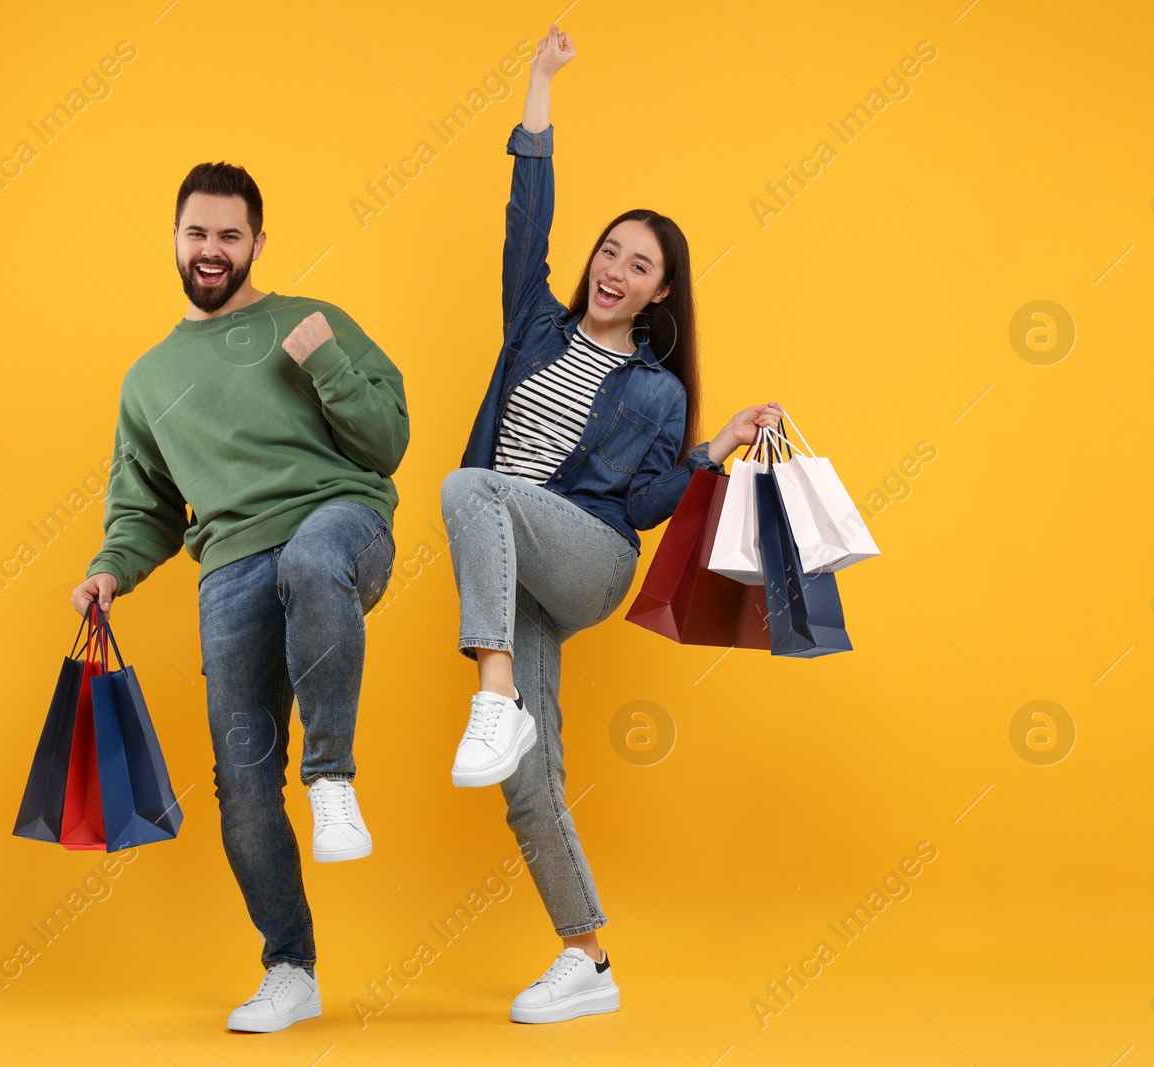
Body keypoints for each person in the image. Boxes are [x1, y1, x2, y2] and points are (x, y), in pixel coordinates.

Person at [441, 25, 784, 1024]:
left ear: (660, 291)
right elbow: (525, 220)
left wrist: (711, 447)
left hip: (586, 560)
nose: (613, 269)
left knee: (469, 487)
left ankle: (492, 688)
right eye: (608, 251)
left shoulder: (654, 392)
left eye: (638, 264)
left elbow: (639, 507)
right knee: (526, 778)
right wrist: (538, 84)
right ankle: (587, 959)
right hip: (513, 572)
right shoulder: (533, 328)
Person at [71, 160, 408, 1033]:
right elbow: (143, 507)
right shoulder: (147, 381)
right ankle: (290, 966)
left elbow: (388, 440)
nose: (211, 249)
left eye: (230, 234)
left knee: (307, 561)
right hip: (229, 564)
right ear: (176, 238)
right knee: (242, 778)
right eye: (197, 233)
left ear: (258, 241)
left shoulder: (309, 321)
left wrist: (325, 362)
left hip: (340, 523)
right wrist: (112, 566)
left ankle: (332, 775)